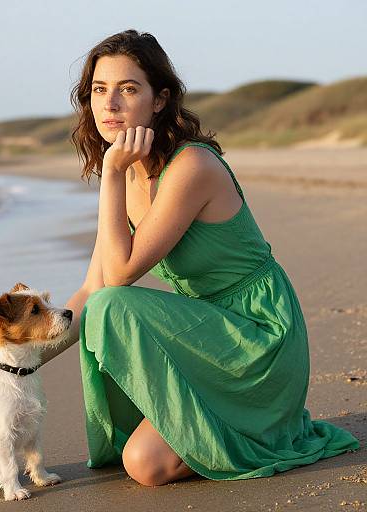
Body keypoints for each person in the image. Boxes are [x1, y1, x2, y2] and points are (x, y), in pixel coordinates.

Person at [39, 29, 359, 486]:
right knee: (146, 461)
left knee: (141, 456)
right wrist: (18, 359)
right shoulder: (130, 174)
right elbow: (91, 288)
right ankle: (226, 424)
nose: (109, 104)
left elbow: (119, 277)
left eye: (128, 89)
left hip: (259, 337)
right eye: (99, 90)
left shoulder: (190, 166)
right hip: (206, 333)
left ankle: (257, 427)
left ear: (159, 100)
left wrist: (111, 173)